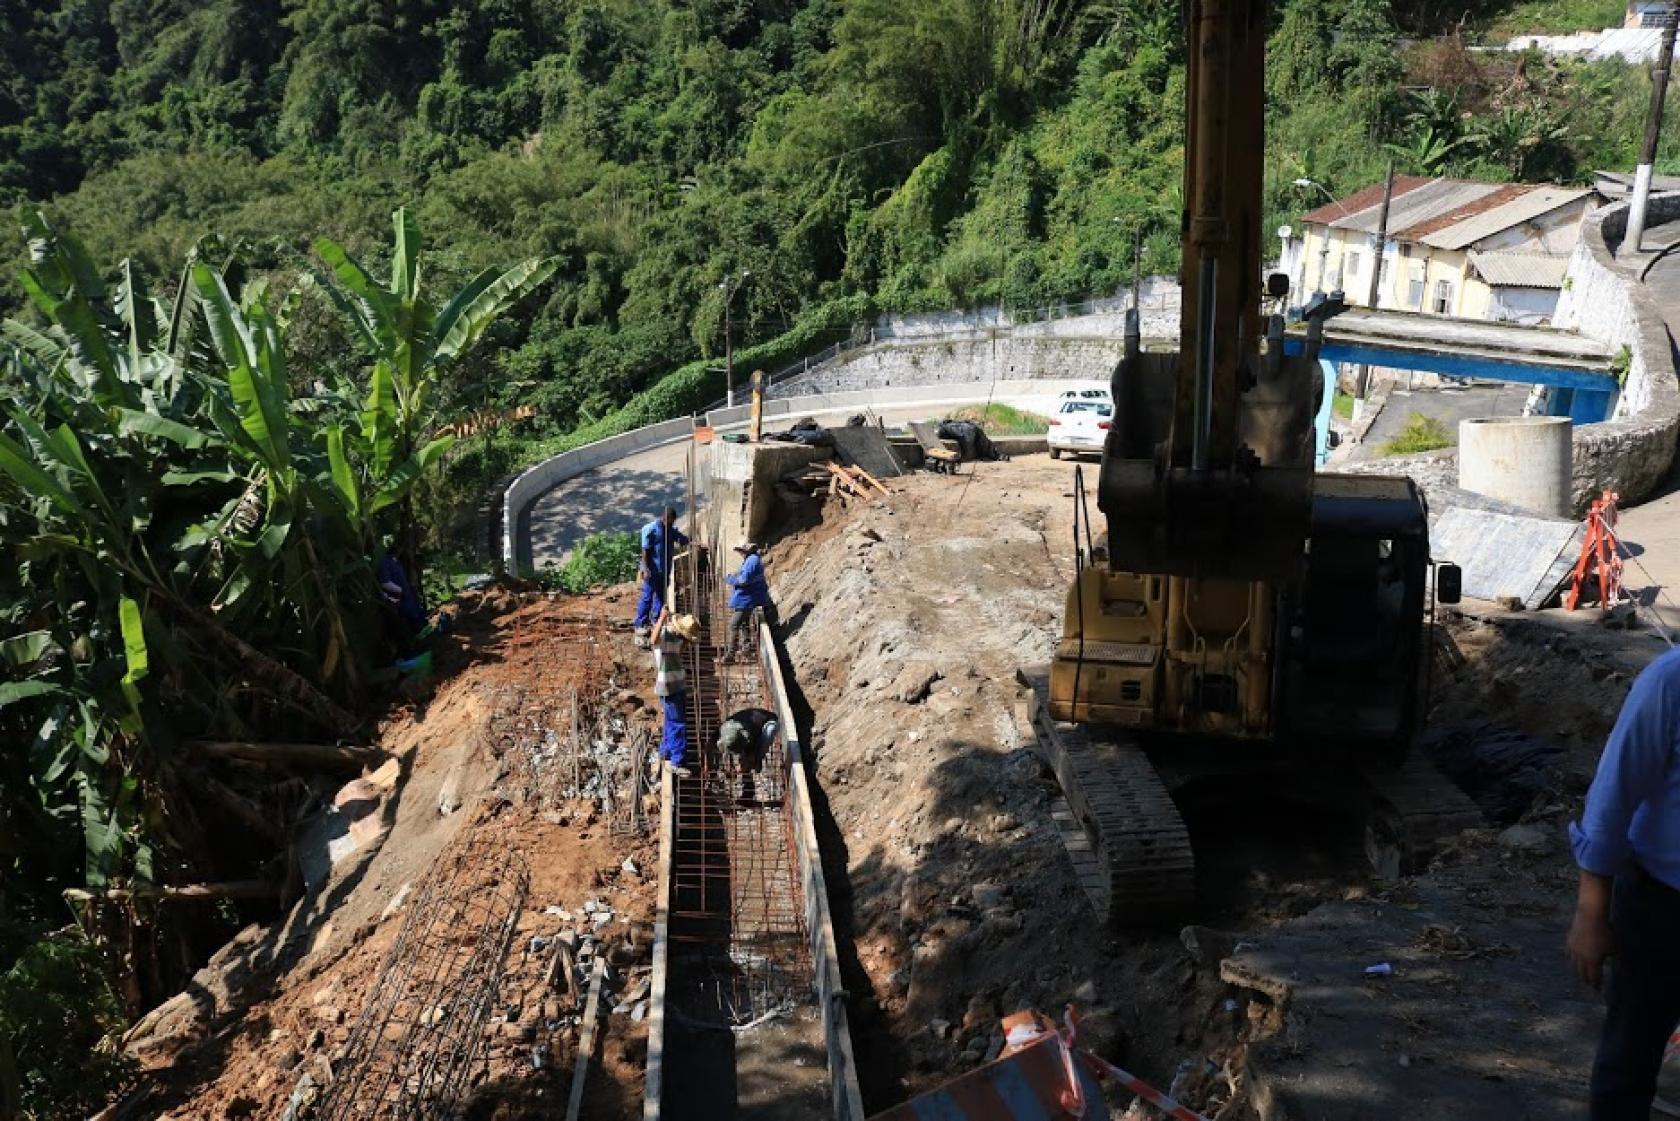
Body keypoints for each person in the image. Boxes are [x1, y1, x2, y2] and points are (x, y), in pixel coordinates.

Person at [1567, 645, 1680, 1119]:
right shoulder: (1669, 683)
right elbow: (1612, 800)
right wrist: (1592, 914)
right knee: (1628, 1061)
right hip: (1661, 907)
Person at [652, 608, 702, 777]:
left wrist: (686, 640)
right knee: (677, 723)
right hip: (667, 686)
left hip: (677, 684)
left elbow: (678, 654)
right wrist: (661, 617)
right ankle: (677, 761)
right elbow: (652, 640)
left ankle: (666, 751)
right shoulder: (664, 634)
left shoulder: (678, 638)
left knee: (671, 721)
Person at [634, 507, 688, 648]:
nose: (672, 523)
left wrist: (692, 543)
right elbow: (645, 550)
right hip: (652, 571)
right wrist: (645, 569)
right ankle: (641, 623)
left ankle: (657, 620)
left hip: (664, 570)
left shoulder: (670, 530)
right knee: (647, 596)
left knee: (660, 596)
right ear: (664, 518)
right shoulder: (651, 529)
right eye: (671, 521)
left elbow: (681, 539)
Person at [722, 541, 777, 661]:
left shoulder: (752, 560)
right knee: (743, 623)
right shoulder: (751, 559)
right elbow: (745, 576)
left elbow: (744, 580)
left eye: (741, 551)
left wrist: (731, 579)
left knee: (734, 624)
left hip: (748, 599)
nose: (740, 553)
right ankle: (746, 650)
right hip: (747, 597)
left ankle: (731, 654)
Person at [717, 706, 780, 803]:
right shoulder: (725, 729)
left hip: (768, 722)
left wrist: (740, 770)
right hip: (747, 722)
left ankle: (759, 761)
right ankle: (748, 791)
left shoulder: (750, 735)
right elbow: (712, 744)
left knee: (768, 733)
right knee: (742, 756)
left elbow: (748, 757)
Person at [377, 539, 426, 647]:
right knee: (408, 621)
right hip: (398, 598)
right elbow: (385, 583)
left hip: (408, 595)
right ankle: (416, 645)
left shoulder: (396, 561)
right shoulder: (384, 562)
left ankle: (425, 640)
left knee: (418, 616)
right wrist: (400, 590)